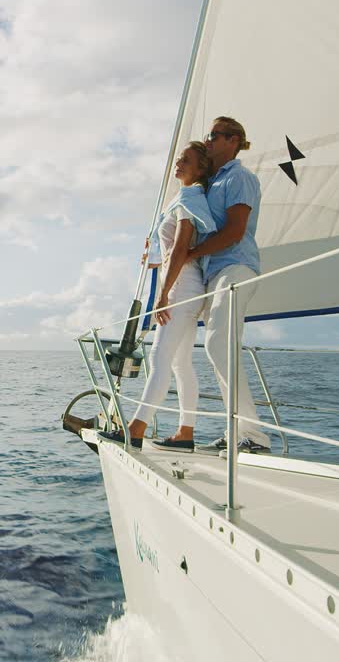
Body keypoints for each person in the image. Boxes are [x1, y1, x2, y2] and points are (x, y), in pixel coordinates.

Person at [101, 142, 216, 450]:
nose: (178, 163)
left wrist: (163, 295)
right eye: (179, 158)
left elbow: (181, 249)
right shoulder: (186, 198)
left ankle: (136, 428)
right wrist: (155, 260)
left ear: (200, 169)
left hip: (182, 287)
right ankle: (185, 432)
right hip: (187, 285)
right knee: (180, 363)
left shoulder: (190, 198)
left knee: (160, 357)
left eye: (186, 160)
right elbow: (173, 251)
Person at [185, 116, 272, 453]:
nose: (207, 141)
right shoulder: (210, 182)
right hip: (214, 274)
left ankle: (253, 436)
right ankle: (238, 431)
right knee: (218, 346)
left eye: (213, 136)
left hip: (236, 268)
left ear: (233, 140)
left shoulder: (239, 177)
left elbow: (235, 232)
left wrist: (191, 252)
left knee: (218, 344)